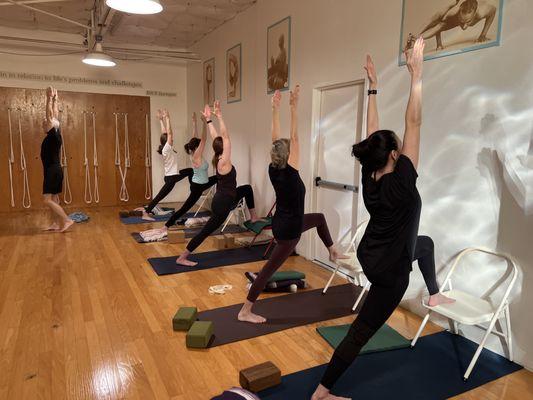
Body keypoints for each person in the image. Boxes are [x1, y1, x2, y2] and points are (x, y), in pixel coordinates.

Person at [311, 38, 453, 400]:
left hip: (372, 252)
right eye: (399, 145)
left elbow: (374, 135)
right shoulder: (403, 182)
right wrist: (416, 75)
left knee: (424, 244)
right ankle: (323, 391)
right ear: (395, 154)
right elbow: (415, 120)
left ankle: (434, 295)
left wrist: (373, 87)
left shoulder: (370, 175)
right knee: (362, 330)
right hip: (389, 273)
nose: (405, 144)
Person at [238, 86, 347, 324]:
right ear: (290, 156)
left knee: (318, 217)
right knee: (268, 270)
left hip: (285, 222)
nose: (296, 148)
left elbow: (275, 139)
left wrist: (275, 108)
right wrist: (293, 106)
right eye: (293, 149)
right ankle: (245, 310)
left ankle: (331, 250)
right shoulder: (289, 171)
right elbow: (294, 138)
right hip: (289, 231)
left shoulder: (274, 167)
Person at [175, 101, 262, 266]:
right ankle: (182, 257)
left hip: (226, 197)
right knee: (206, 230)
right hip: (223, 203)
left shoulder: (219, 155)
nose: (228, 143)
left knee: (247, 189)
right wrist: (220, 116)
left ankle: (254, 216)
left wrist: (209, 120)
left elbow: (219, 138)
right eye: (227, 144)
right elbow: (225, 137)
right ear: (225, 148)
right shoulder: (224, 162)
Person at [141, 106, 218, 240]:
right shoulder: (193, 155)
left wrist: (194, 122)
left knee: (209, 175)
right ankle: (160, 220)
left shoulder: (190, 151)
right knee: (180, 206)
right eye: (199, 146)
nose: (172, 140)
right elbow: (202, 139)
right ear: (196, 148)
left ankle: (148, 211)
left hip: (188, 178)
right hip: (186, 183)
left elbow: (190, 137)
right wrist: (206, 121)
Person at [141, 110, 193, 221]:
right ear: (167, 141)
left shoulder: (167, 147)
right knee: (160, 196)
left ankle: (194, 187)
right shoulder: (167, 148)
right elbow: (169, 133)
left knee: (190, 170)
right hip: (171, 178)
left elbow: (165, 133)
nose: (172, 139)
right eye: (171, 139)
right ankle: (146, 213)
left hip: (174, 175)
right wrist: (168, 118)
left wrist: (161, 120)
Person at [41, 86, 73, 233]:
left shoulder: (53, 135)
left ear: (50, 125)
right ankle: (55, 223)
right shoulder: (55, 135)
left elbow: (50, 116)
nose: (43, 122)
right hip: (54, 171)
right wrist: (55, 99)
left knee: (47, 200)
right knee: (54, 199)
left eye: (45, 121)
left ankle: (67, 220)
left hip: (53, 171)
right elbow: (53, 116)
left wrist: (48, 98)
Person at [406, 0, 497, 51]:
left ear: (474, 14)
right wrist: (439, 44)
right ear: (458, 14)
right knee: (434, 20)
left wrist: (483, 35)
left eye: (468, 21)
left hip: (462, 6)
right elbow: (438, 26)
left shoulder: (482, 12)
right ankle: (412, 37)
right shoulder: (451, 14)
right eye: (462, 21)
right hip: (447, 12)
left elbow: (493, 11)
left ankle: (414, 37)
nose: (464, 26)